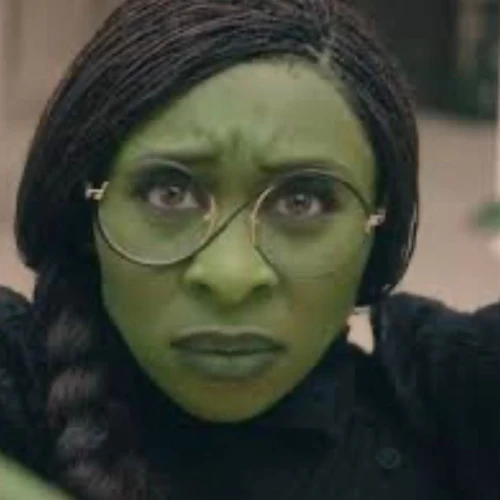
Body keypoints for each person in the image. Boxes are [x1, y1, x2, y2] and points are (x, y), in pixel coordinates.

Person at [0, 0, 499, 499]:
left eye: (301, 202)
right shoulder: (20, 393)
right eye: (169, 194)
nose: (231, 277)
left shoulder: (453, 410)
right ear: (84, 213)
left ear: (378, 225)